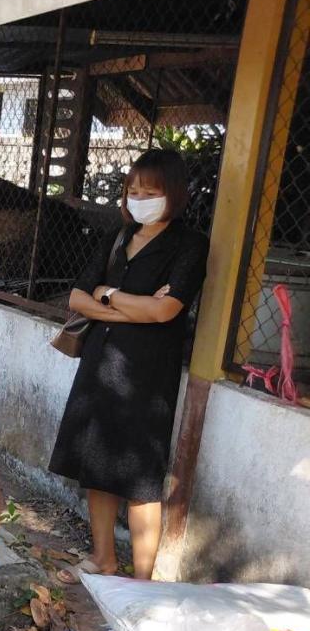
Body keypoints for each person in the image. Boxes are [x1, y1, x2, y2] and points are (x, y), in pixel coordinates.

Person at [49, 148, 209, 581]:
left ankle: (142, 581)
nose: (139, 198)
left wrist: (108, 294)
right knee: (96, 467)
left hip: (147, 375)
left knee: (140, 479)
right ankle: (103, 557)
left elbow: (166, 312)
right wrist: (127, 305)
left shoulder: (189, 244)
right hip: (101, 363)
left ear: (174, 194)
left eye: (150, 191)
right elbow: (77, 297)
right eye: (133, 190)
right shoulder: (119, 236)